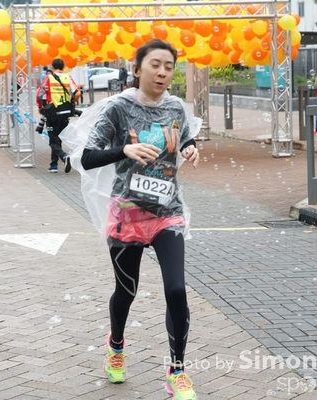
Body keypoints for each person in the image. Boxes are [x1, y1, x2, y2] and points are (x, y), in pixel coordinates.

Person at [61, 39, 201, 400]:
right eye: (155, 64)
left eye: (169, 66)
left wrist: (191, 148)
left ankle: (177, 371)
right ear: (137, 69)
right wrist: (124, 149)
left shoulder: (176, 108)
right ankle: (116, 346)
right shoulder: (119, 109)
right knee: (127, 290)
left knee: (176, 289)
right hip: (128, 214)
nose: (162, 72)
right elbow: (87, 157)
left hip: (167, 212)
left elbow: (187, 139)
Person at [36, 58, 78, 173]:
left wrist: (41, 107)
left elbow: (39, 94)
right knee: (57, 138)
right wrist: (71, 102)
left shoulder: (48, 78)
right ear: (63, 67)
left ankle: (64, 157)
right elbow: (77, 92)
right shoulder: (68, 77)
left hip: (52, 115)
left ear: (53, 67)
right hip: (65, 114)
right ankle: (53, 165)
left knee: (52, 140)